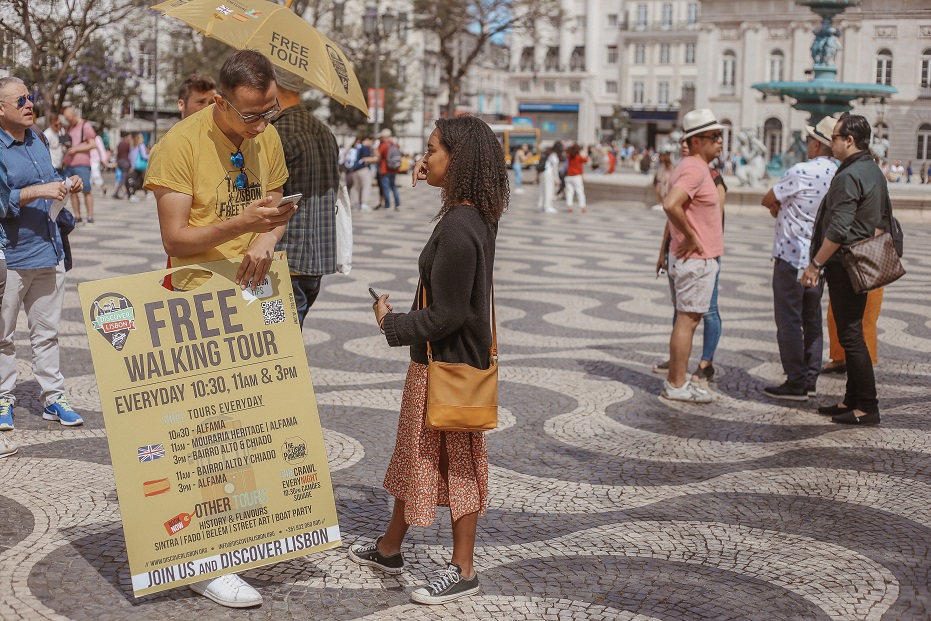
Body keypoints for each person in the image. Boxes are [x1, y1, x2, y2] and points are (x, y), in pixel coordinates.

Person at [145, 50, 295, 607]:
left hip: (254, 295)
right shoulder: (178, 145)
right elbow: (175, 239)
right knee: (206, 434)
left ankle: (237, 538)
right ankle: (206, 559)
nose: (261, 124)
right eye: (252, 115)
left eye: (270, 112)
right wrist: (242, 223)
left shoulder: (267, 138)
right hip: (197, 302)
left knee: (249, 429)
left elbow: (276, 208)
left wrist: (265, 236)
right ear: (221, 102)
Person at [349, 115, 506, 605]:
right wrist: (430, 177)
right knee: (416, 455)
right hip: (438, 363)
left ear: (457, 160)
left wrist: (390, 324)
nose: (424, 156)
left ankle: (463, 568)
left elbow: (449, 313)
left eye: (433, 149)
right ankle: (390, 547)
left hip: (451, 365)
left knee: (458, 462)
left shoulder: (460, 228)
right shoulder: (472, 213)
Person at [0, 76, 86, 431]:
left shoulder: (36, 137)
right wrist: (37, 191)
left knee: (47, 332)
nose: (29, 105)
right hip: (11, 257)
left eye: (30, 98)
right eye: (20, 101)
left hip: (48, 249)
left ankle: (53, 397)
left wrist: (66, 183)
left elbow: (48, 178)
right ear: (1, 108)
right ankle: (3, 398)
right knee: (3, 335)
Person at [802, 113, 889, 426]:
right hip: (862, 262)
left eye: (835, 137)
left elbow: (838, 229)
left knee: (850, 336)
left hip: (846, 265)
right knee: (852, 333)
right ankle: (851, 400)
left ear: (848, 141)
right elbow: (882, 220)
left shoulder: (848, 176)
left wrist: (815, 265)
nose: (831, 142)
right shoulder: (872, 170)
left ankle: (867, 405)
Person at [760, 116, 838, 401]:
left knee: (790, 319)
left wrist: (778, 208)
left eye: (809, 140)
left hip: (791, 256)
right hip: (819, 260)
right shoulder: (839, 173)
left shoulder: (801, 171)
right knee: (812, 317)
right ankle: (810, 379)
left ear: (818, 144)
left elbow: (768, 198)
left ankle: (795, 381)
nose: (807, 144)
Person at [660, 109, 725, 403]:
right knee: (687, 320)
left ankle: (678, 380)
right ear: (696, 141)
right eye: (714, 137)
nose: (720, 141)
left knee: (688, 319)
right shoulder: (695, 169)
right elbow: (671, 204)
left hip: (695, 259)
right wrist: (690, 236)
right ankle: (677, 384)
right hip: (695, 261)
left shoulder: (694, 167)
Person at [270, 67, 339, 326]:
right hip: (319, 258)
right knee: (289, 334)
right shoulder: (325, 131)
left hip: (285, 259)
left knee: (279, 339)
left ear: (274, 88)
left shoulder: (277, 133)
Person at [822, 288, 884, 374]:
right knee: (835, 315)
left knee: (866, 319)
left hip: (868, 278)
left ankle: (864, 365)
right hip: (842, 278)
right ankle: (839, 358)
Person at [61, 105, 97, 224]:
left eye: (69, 118)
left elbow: (93, 144)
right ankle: (77, 215)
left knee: (86, 189)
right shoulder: (70, 127)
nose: (68, 121)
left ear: (75, 115)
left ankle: (90, 216)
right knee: (72, 191)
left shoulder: (85, 126)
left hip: (82, 163)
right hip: (69, 163)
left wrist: (77, 150)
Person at [348, 135, 377, 211]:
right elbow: (365, 159)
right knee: (366, 186)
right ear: (368, 140)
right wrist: (374, 159)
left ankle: (354, 203)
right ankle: (364, 204)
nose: (371, 144)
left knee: (356, 187)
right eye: (372, 142)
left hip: (354, 169)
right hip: (362, 169)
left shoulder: (357, 146)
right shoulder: (364, 148)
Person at [376, 128, 401, 210]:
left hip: (385, 169)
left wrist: (375, 148)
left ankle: (387, 204)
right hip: (394, 169)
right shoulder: (395, 145)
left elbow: (379, 156)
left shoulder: (383, 146)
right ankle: (397, 204)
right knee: (393, 186)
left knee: (386, 187)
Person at [564, 143, 588, 213]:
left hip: (568, 176)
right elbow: (586, 160)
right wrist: (584, 153)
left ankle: (569, 206)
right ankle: (582, 206)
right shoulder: (578, 156)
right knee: (580, 191)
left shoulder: (568, 156)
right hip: (576, 176)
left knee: (569, 192)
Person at [537, 143, 561, 213]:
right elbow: (555, 169)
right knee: (549, 190)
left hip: (544, 173)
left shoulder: (549, 154)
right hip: (549, 174)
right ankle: (548, 206)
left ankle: (541, 204)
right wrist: (557, 179)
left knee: (543, 190)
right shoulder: (554, 156)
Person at [114, 133, 131, 199]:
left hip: (120, 161)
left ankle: (128, 193)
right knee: (123, 178)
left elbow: (118, 153)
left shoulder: (120, 144)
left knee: (124, 178)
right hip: (125, 162)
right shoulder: (127, 144)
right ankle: (116, 192)